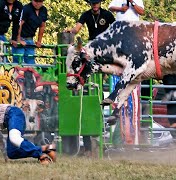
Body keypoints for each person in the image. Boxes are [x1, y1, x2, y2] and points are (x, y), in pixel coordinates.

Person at [65, 0, 115, 156]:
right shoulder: (86, 15)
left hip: (106, 45)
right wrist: (70, 31)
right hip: (93, 45)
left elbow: (115, 29)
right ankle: (87, 76)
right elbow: (77, 28)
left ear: (99, 4)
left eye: (96, 3)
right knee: (83, 55)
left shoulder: (107, 14)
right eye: (93, 3)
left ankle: (104, 74)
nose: (95, 5)